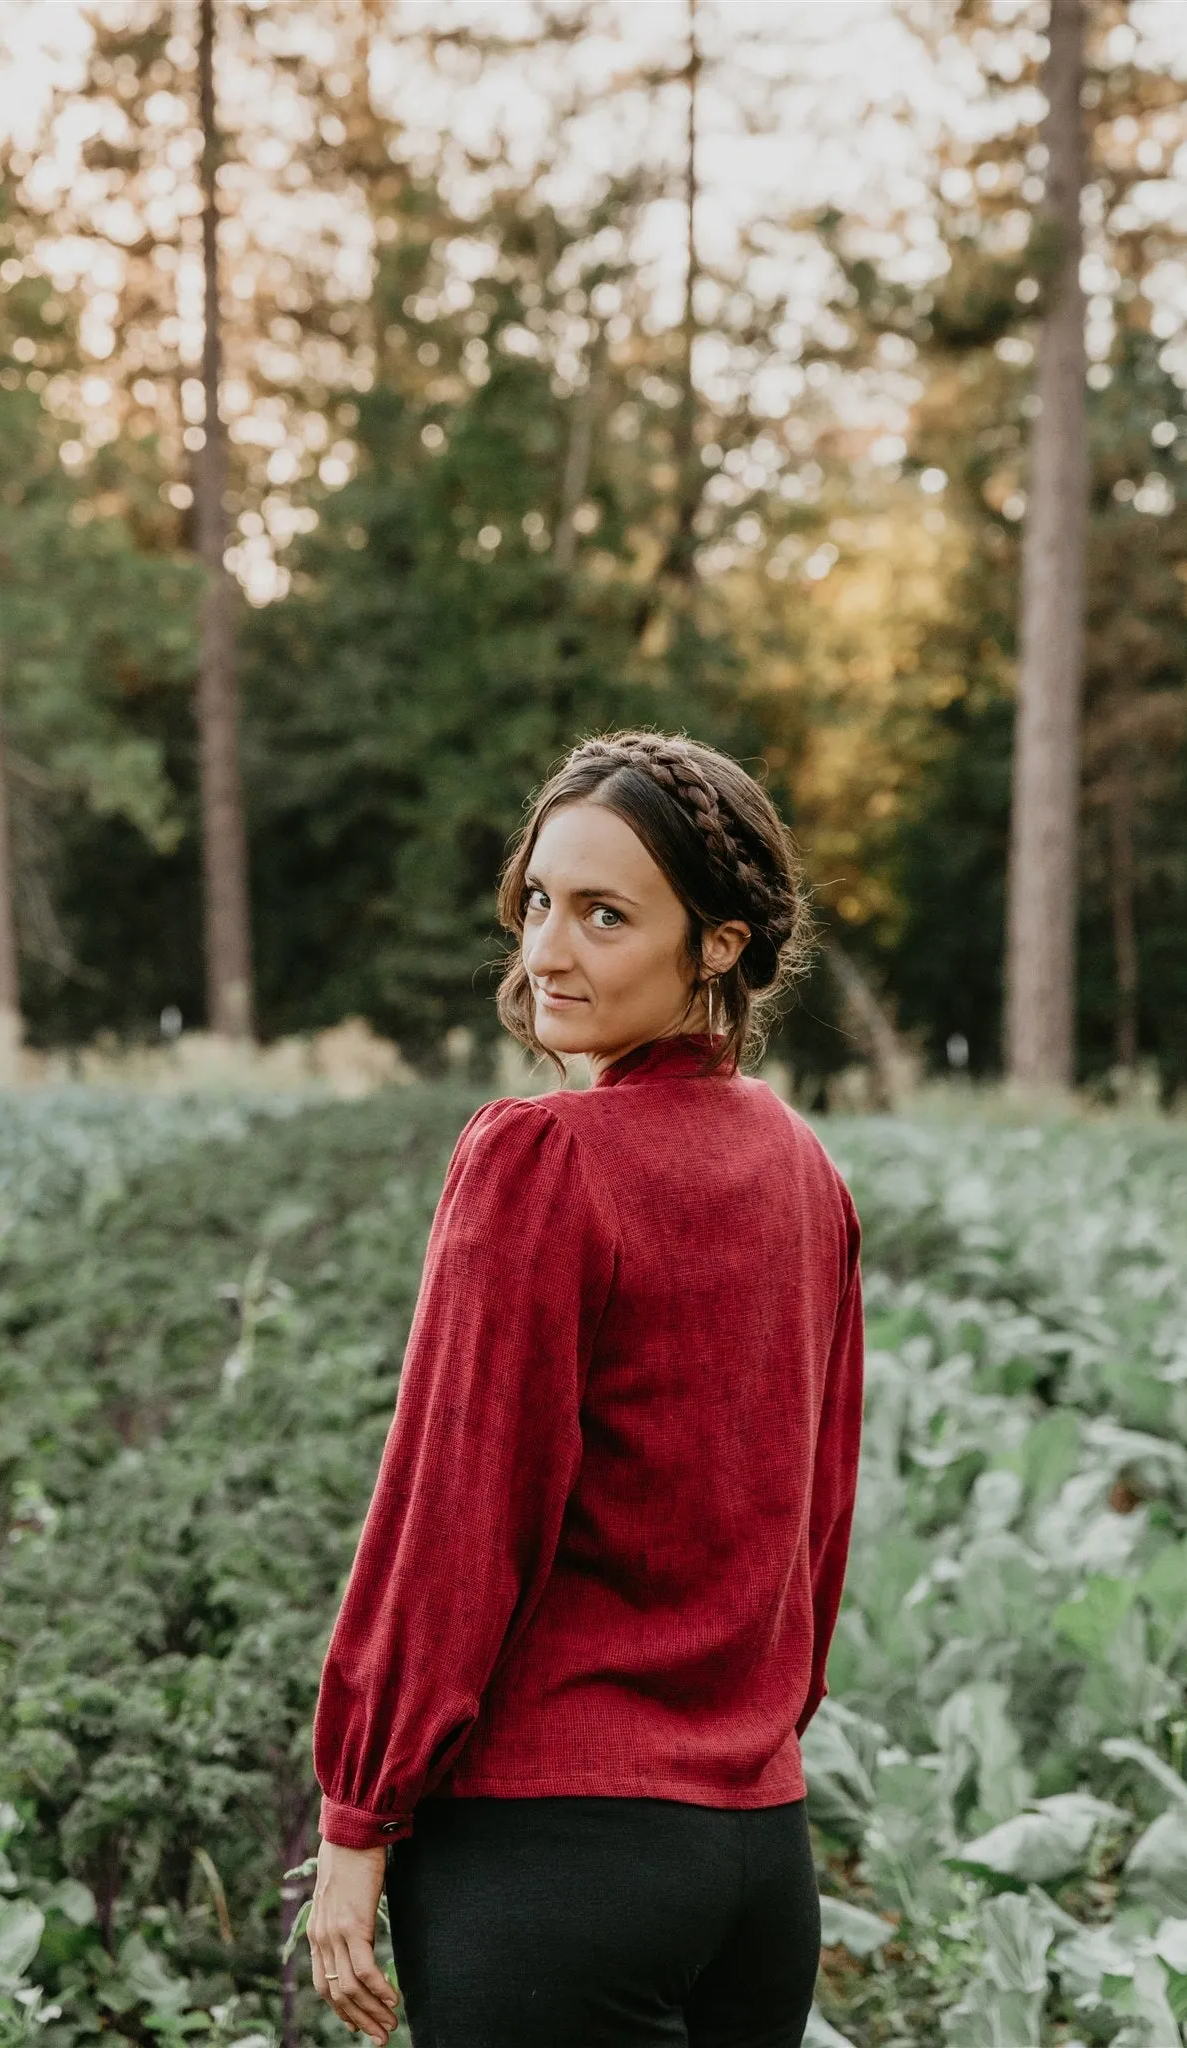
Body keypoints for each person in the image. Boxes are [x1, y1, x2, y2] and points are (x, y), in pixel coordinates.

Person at [306, 731, 864, 2048]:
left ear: (717, 945)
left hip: (553, 1871)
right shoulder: (807, 1172)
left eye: (606, 915)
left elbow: (451, 1518)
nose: (548, 950)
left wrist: (357, 1815)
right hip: (760, 1870)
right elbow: (818, 1526)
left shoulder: (543, 1162)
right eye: (540, 901)